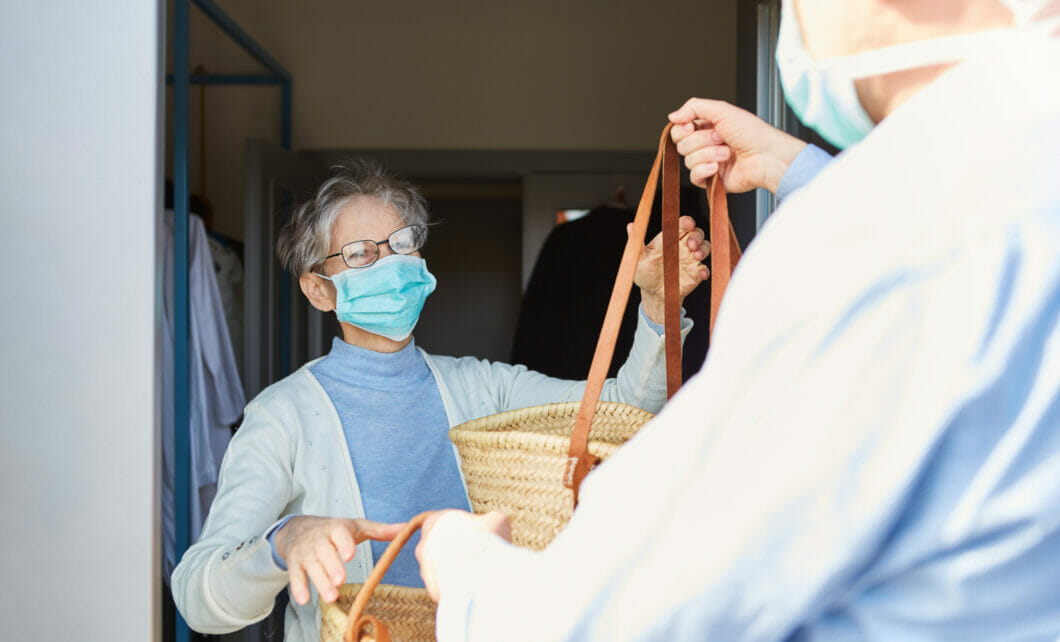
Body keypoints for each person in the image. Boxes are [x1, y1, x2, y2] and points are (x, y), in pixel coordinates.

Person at [414, 1, 1060, 639]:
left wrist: (469, 572)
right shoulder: (1002, 183)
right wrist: (799, 171)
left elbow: (631, 617)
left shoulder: (881, 244)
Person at [170, 158, 710, 641]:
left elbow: (624, 414)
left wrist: (658, 306)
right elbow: (198, 598)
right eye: (360, 254)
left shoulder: (482, 389)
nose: (389, 263)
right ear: (319, 290)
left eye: (401, 243)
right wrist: (283, 541)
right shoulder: (281, 417)